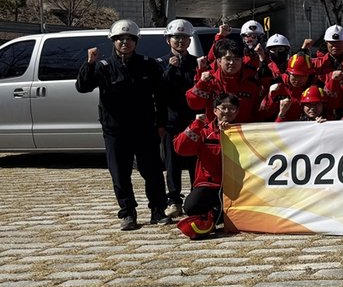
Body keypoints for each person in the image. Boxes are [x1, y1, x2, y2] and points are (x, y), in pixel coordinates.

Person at [76, 20, 170, 230]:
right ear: (113, 41)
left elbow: (161, 97)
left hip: (145, 128)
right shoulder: (103, 67)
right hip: (115, 131)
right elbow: (83, 87)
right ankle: (128, 213)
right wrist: (89, 63)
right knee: (119, 173)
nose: (125, 42)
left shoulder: (148, 65)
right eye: (120, 39)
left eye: (129, 39)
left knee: (152, 172)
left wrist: (161, 123)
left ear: (136, 42)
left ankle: (158, 210)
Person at [173, 92, 239, 233]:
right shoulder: (204, 130)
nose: (227, 111)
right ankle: (214, 215)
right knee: (191, 206)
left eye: (232, 108)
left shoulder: (243, 131)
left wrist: (229, 133)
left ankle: (215, 216)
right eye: (223, 108)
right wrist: (196, 125)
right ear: (215, 110)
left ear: (237, 111)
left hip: (236, 184)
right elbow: (181, 149)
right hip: (209, 184)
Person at [158, 19, 199, 219]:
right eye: (176, 37)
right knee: (172, 163)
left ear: (189, 40)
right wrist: (170, 69)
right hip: (171, 121)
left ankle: (196, 198)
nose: (180, 41)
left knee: (195, 162)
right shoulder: (160, 63)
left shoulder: (197, 63)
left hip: (193, 120)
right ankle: (174, 200)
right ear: (168, 40)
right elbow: (159, 93)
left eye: (184, 37)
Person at [187, 38, 265, 125]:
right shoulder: (209, 80)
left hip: (244, 130)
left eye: (236, 59)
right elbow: (195, 105)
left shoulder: (252, 81)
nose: (232, 62)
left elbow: (261, 111)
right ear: (219, 60)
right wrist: (201, 83)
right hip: (215, 131)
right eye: (228, 59)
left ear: (242, 60)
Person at [263, 53, 319, 123]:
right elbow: (263, 114)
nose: (298, 80)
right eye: (295, 75)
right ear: (288, 73)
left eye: (303, 76)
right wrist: (271, 98)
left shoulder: (316, 87)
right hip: (280, 127)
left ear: (309, 75)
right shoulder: (278, 86)